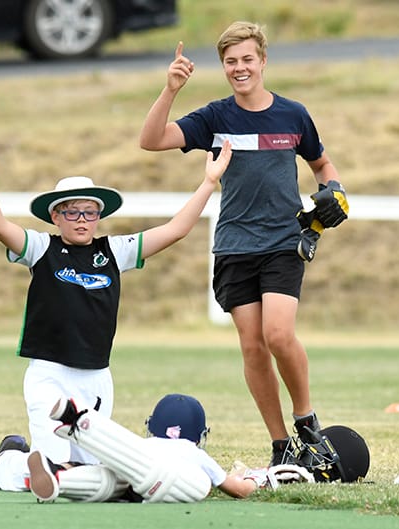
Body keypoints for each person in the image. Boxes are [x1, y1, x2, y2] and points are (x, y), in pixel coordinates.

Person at [0, 134, 233, 492]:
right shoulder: (42, 247)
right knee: (55, 469)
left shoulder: (115, 251)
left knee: (86, 474)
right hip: (50, 374)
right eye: (71, 212)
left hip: (96, 379)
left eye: (89, 212)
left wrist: (208, 183)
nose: (81, 220)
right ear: (55, 216)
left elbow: (175, 230)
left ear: (99, 216)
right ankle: (4, 463)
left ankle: (15, 456)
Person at [137, 21, 349, 467]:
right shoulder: (216, 118)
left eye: (247, 59)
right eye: (230, 62)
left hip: (283, 240)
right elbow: (151, 140)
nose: (239, 68)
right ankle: (280, 446)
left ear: (263, 61)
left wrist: (335, 190)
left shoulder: (293, 115)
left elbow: (322, 163)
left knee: (278, 333)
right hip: (234, 245)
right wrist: (170, 89)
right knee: (253, 346)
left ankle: (307, 423)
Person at [26, 394, 316, 503]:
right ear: (199, 434)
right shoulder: (195, 454)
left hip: (136, 478)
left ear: (153, 426)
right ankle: (79, 422)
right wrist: (255, 481)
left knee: (111, 479)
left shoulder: (146, 443)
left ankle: (61, 478)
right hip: (174, 483)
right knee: (127, 476)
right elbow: (236, 490)